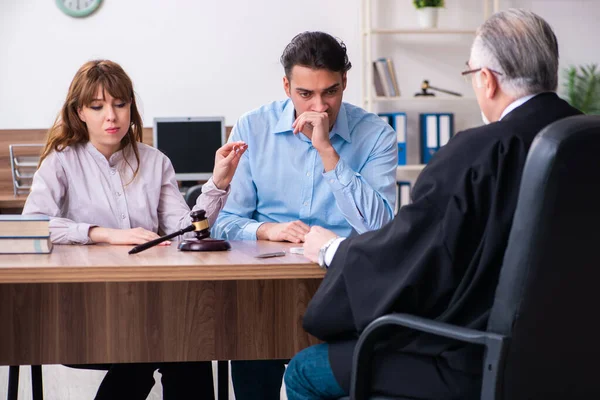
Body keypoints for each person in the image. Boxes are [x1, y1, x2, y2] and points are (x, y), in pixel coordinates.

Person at [284, 9, 583, 400]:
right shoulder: (585, 140)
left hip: (470, 360)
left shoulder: (479, 153)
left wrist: (329, 249)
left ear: (486, 80)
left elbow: (413, 260)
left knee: (304, 370)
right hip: (573, 356)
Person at [22, 59, 247, 400]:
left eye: (120, 104)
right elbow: (33, 225)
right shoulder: (62, 162)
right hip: (87, 310)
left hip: (149, 304)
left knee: (187, 349)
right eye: (97, 107)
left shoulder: (155, 161)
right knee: (156, 344)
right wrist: (104, 233)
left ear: (131, 107)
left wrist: (217, 182)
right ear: (80, 111)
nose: (111, 116)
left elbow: (184, 233)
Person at [211, 32, 398, 399]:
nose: (319, 107)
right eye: (305, 94)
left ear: (344, 82)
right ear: (286, 86)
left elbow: (383, 228)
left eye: (330, 92)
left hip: (342, 289)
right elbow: (225, 221)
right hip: (262, 292)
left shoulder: (376, 135)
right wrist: (267, 229)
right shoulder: (253, 127)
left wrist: (328, 152)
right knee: (251, 353)